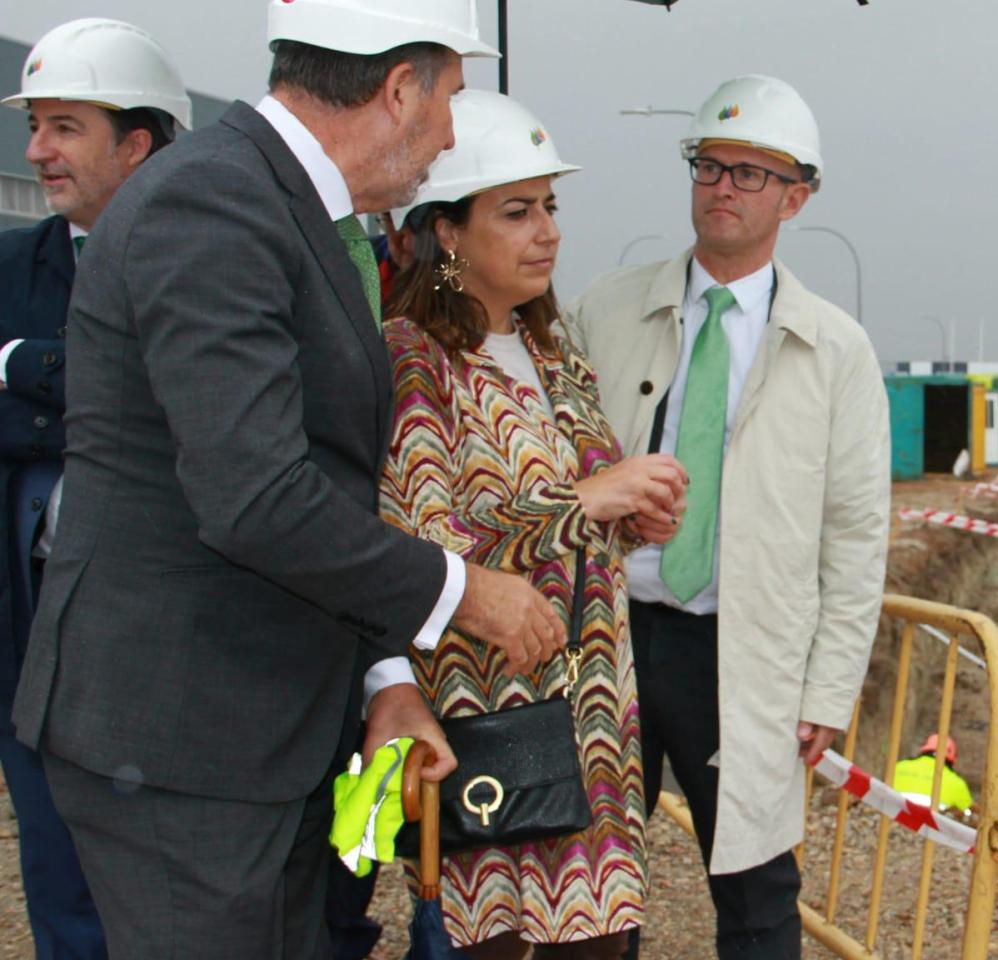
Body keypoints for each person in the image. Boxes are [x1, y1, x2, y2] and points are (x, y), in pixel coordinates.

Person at [11, 3, 571, 956]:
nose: (446, 137)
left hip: (263, 735)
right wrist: (462, 591)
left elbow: (324, 477)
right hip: (182, 744)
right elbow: (258, 498)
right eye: (451, 100)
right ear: (400, 89)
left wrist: (387, 677)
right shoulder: (216, 206)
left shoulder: (285, 206)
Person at [569, 74, 890, 959]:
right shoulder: (605, 309)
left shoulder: (836, 351)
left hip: (741, 653)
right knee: (590, 886)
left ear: (798, 196)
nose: (723, 188)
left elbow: (857, 536)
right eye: (710, 165)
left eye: (752, 174)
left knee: (755, 894)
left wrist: (829, 688)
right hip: (610, 639)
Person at [381, 90, 683, 960]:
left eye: (550, 206)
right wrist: (592, 501)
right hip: (488, 728)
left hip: (594, 727)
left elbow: (592, 518)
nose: (546, 229)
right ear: (447, 231)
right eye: (516, 211)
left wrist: (638, 516)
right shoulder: (413, 358)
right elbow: (420, 549)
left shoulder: (557, 353)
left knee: (601, 945)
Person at [0, 18, 192, 959]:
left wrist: (21, 369)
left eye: (64, 126)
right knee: (62, 884)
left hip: (174, 648)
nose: (37, 150)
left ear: (138, 142)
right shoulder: (12, 266)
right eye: (36, 125)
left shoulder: (206, 262)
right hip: (34, 637)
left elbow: (180, 412)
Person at [892, 734, 974, 815]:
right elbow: (969, 811)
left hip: (894, 817)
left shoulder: (899, 766)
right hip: (928, 825)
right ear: (951, 756)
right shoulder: (958, 783)